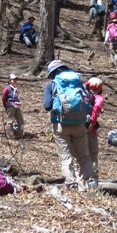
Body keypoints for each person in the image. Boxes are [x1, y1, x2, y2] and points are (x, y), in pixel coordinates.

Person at [42, 60, 97, 190]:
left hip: (60, 125)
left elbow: (47, 106)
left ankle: (72, 184)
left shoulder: (52, 85)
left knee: (66, 157)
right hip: (79, 125)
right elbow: (88, 102)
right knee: (83, 156)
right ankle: (91, 182)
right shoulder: (78, 83)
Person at [85, 77, 105, 176]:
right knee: (93, 153)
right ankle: (93, 176)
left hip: (78, 127)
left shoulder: (83, 94)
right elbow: (96, 109)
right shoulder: (99, 98)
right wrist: (91, 124)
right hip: (90, 129)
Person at [2, 73, 24, 139]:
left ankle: (20, 135)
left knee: (21, 121)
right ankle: (10, 136)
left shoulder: (15, 88)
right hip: (10, 106)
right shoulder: (7, 88)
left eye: (15, 79)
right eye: (13, 79)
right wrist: (5, 106)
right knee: (10, 121)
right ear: (9, 80)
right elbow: (3, 97)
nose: (15, 80)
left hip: (17, 106)